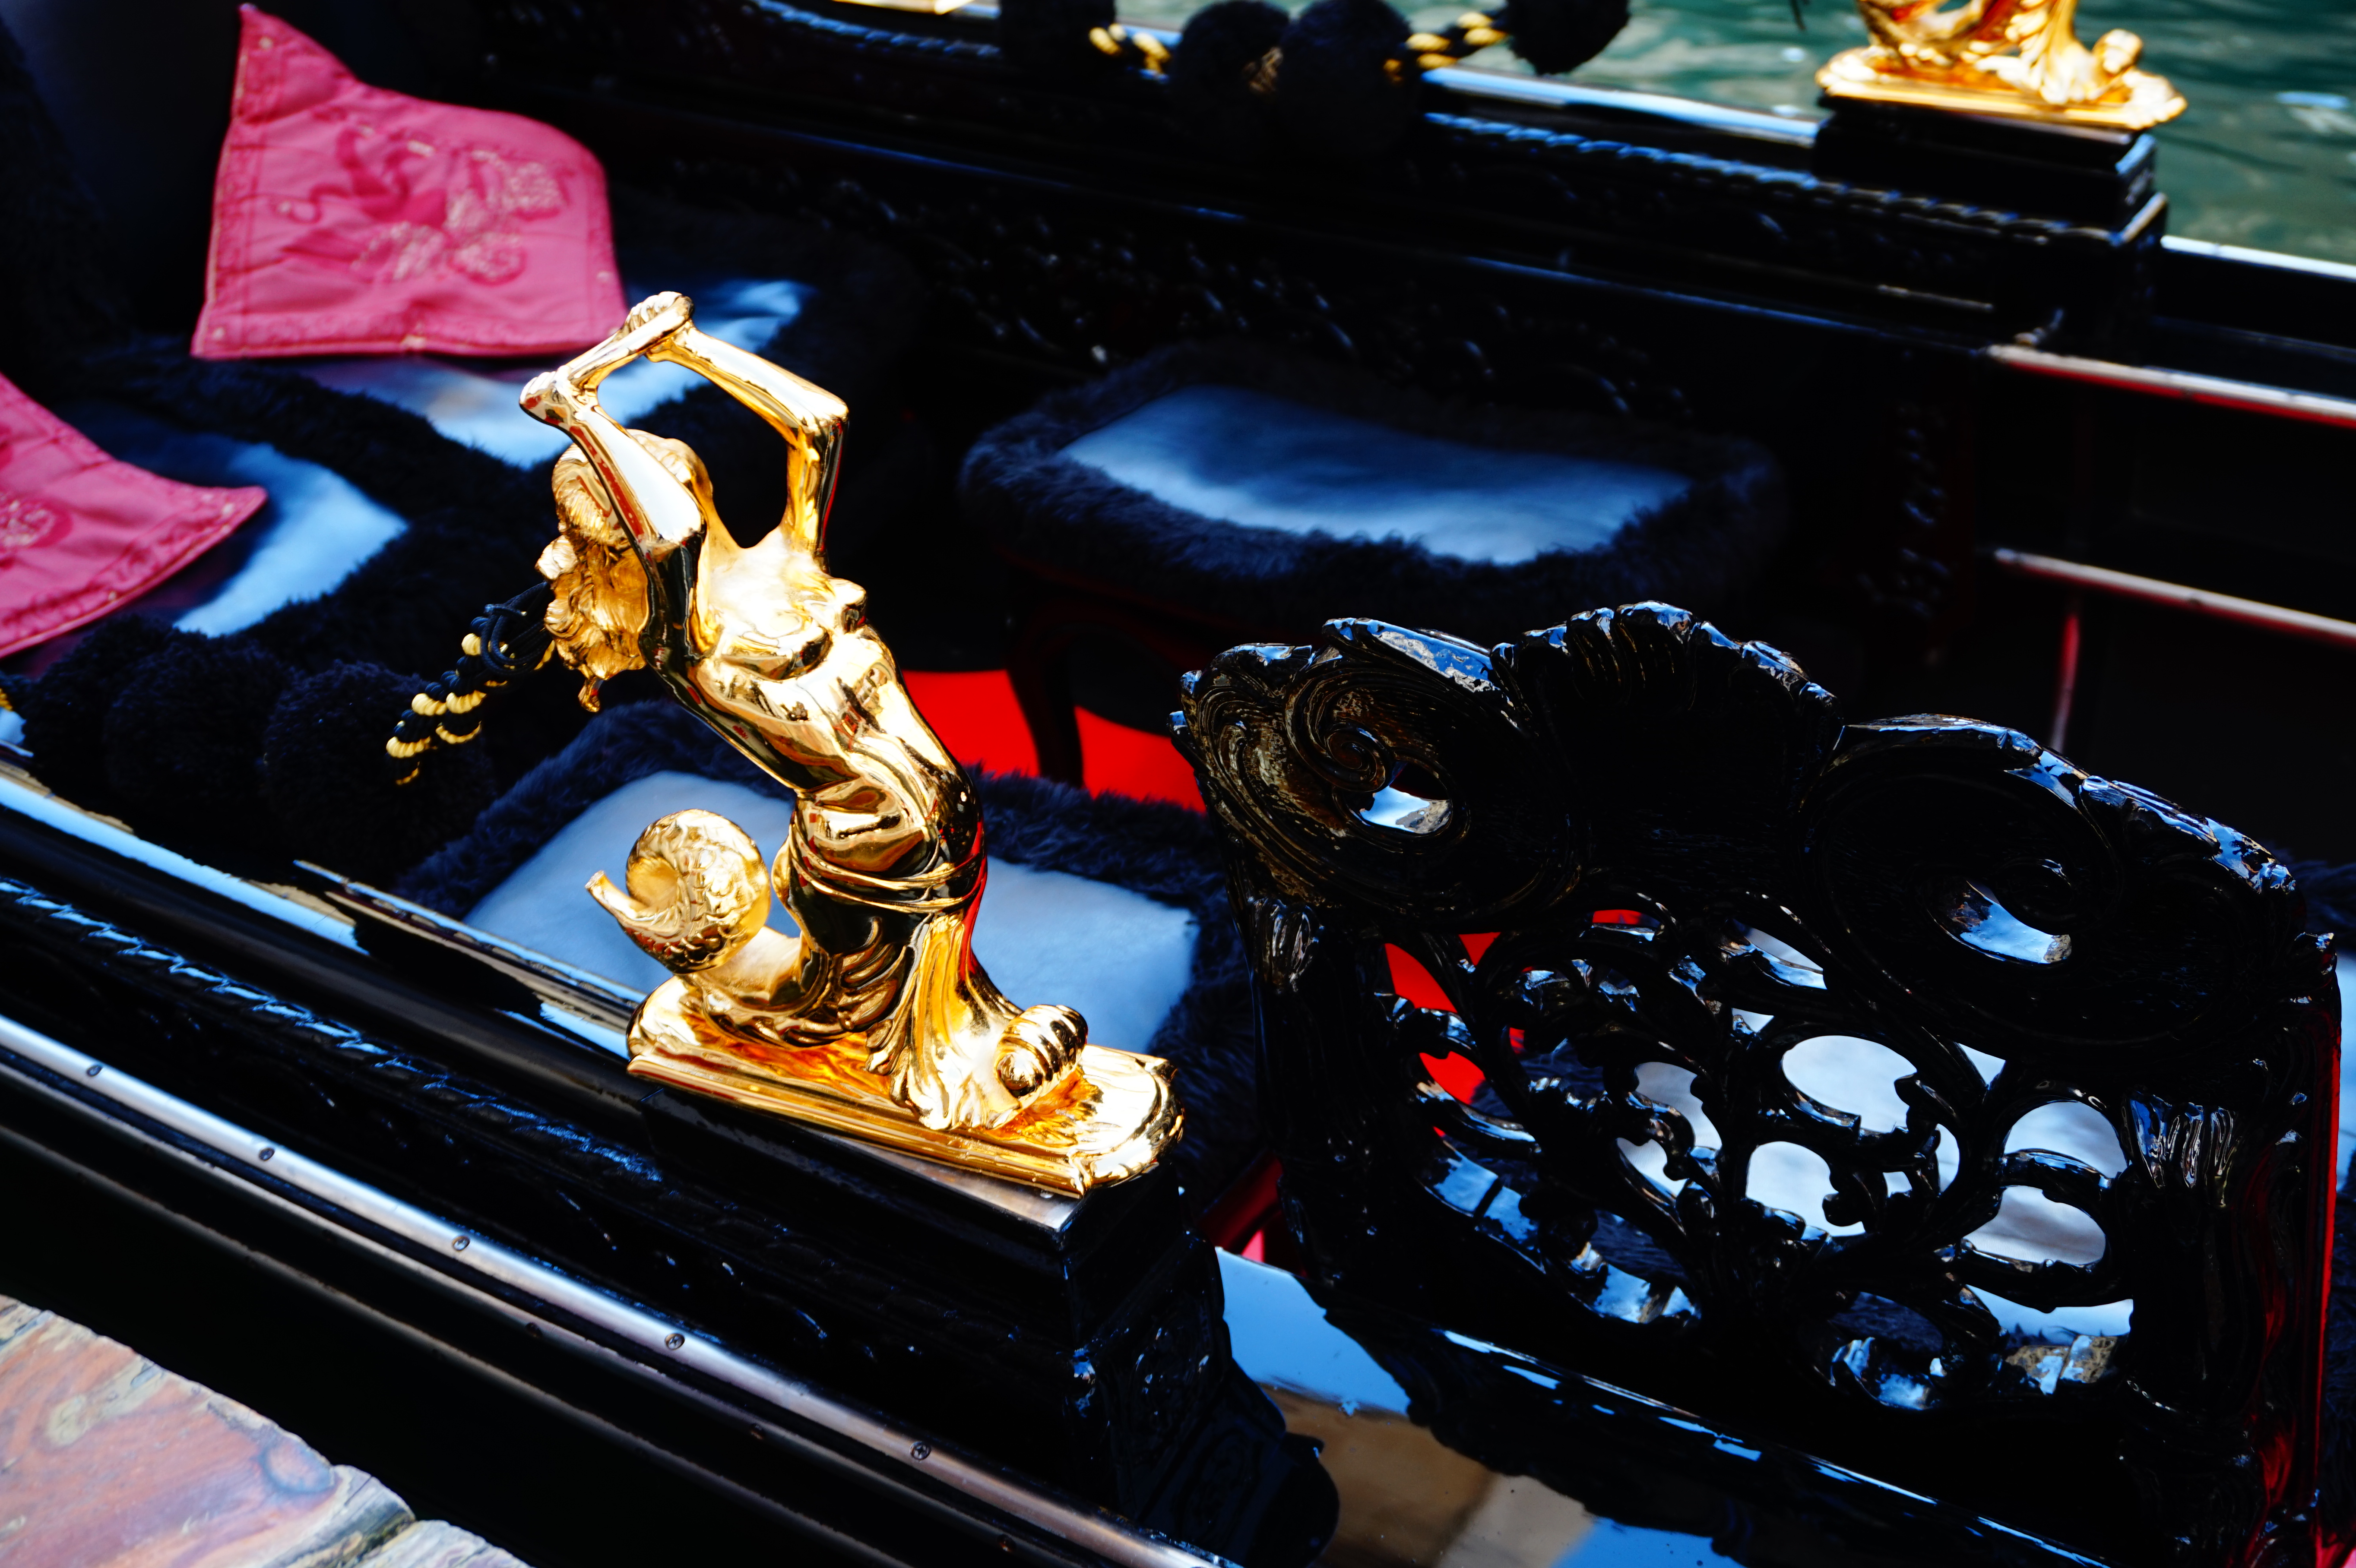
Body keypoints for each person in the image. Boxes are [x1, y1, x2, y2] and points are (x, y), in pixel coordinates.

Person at [518, 292, 1086, 1134]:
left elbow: (820, 424)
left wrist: (690, 347)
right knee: (891, 1024)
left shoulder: (788, 561)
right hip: (862, 847)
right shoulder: (685, 644)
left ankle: (956, 1060)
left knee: (939, 1001)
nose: (665, 477)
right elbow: (673, 536)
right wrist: (581, 415)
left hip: (942, 814)